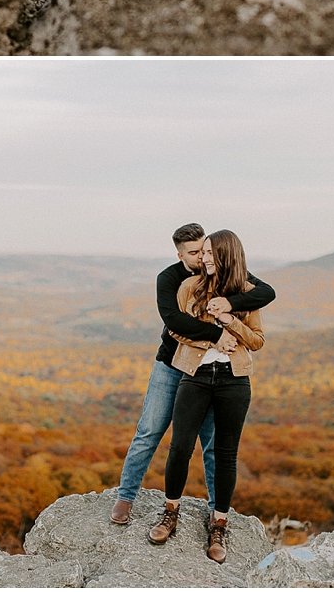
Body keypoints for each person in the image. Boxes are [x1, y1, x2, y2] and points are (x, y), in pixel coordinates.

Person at [110, 223, 275, 525]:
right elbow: (175, 321)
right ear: (180, 254)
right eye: (195, 253)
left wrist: (230, 305)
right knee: (150, 432)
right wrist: (215, 334)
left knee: (214, 445)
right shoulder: (172, 279)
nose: (202, 257)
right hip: (171, 363)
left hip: (209, 371)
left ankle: (217, 512)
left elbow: (265, 293)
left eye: (205, 250)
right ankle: (126, 496)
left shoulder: (224, 274)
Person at [148, 229, 264, 565]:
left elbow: (256, 340)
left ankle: (219, 524)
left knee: (225, 453)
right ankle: (170, 512)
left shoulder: (248, 294)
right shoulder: (189, 287)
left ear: (227, 256)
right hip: (195, 376)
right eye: (203, 253)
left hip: (234, 381)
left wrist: (230, 321)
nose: (205, 259)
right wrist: (213, 340)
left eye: (212, 253)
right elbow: (176, 329)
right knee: (180, 446)